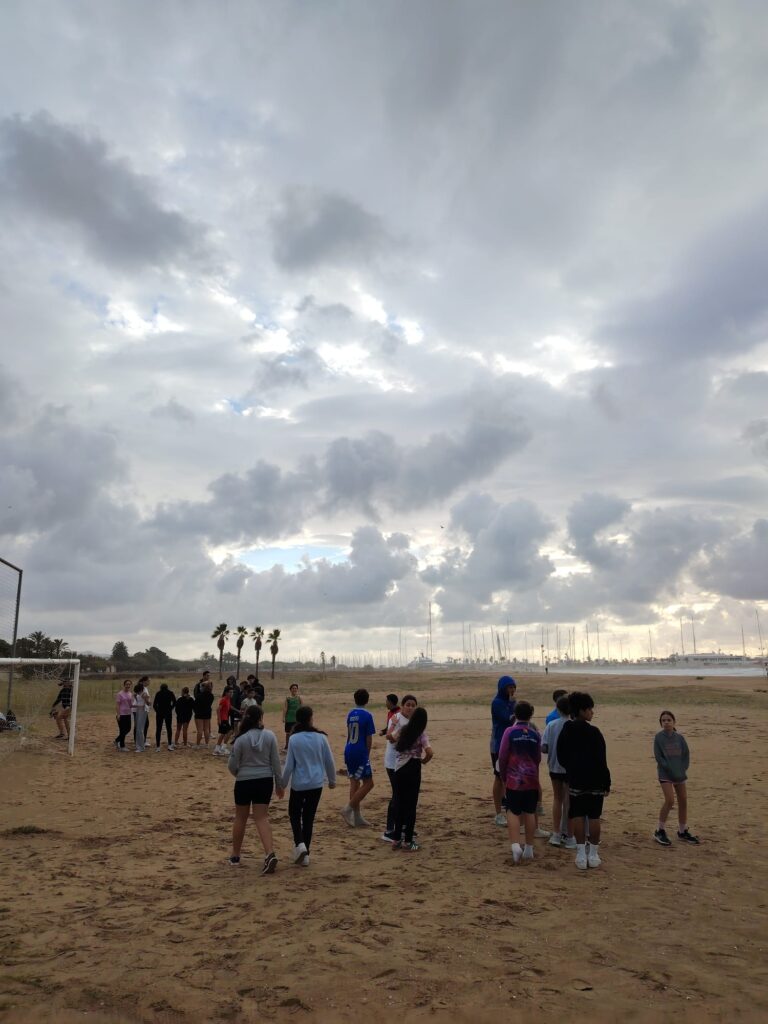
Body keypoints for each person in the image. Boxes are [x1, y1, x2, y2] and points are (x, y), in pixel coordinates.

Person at [557, 692, 611, 870]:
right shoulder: (594, 732)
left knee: (578, 815)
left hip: (576, 779)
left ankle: (581, 854)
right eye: (589, 709)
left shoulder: (566, 730)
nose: (592, 712)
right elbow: (602, 760)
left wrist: (572, 769)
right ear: (581, 710)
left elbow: (561, 755)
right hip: (595, 780)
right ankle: (593, 853)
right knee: (594, 816)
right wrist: (606, 782)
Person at [227, 704, 284, 872]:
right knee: (261, 817)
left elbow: (232, 765)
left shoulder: (240, 739)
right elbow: (276, 762)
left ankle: (235, 855)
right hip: (264, 781)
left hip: (244, 781)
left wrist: (240, 774)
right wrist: (279, 784)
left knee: (240, 817)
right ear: (260, 718)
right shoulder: (270, 736)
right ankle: (269, 853)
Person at [281, 705, 337, 866]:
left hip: (299, 784)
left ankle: (300, 844)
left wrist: (282, 784)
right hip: (316, 784)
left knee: (294, 814)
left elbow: (289, 766)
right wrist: (332, 780)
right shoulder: (321, 738)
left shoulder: (294, 739)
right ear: (311, 718)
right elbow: (329, 761)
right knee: (308, 818)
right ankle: (305, 854)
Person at [497, 700, 541, 864]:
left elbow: (502, 755)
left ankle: (515, 844)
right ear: (531, 715)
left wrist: (503, 775)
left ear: (515, 714)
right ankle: (529, 847)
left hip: (514, 779)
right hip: (531, 779)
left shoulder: (510, 732)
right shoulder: (535, 734)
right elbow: (537, 757)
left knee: (513, 811)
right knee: (529, 811)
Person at [389, 706, 433, 852]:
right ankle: (408, 841)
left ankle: (396, 839)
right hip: (413, 767)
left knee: (399, 803)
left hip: (399, 768)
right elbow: (430, 752)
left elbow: (390, 738)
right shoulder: (421, 734)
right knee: (411, 805)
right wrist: (423, 761)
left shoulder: (403, 729)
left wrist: (393, 724)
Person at [654, 711, 699, 846]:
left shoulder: (680, 738)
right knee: (670, 800)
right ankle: (660, 830)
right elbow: (659, 757)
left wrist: (682, 768)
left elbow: (686, 755)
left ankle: (682, 831)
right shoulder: (658, 738)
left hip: (679, 774)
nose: (666, 722)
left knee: (683, 800)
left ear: (674, 722)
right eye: (663, 720)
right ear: (661, 723)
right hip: (666, 774)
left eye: (669, 720)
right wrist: (669, 768)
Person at [382, 694, 416, 842]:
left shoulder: (413, 720)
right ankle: (389, 830)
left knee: (405, 795)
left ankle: (402, 827)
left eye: (413, 705)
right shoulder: (395, 718)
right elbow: (390, 738)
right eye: (408, 704)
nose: (410, 707)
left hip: (405, 762)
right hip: (393, 763)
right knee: (397, 795)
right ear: (402, 706)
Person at [541, 695, 573, 847]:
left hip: (554, 767)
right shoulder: (573, 725)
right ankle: (569, 834)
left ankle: (556, 833)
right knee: (568, 800)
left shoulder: (551, 725)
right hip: (570, 769)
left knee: (557, 799)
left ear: (558, 709)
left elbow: (544, 747)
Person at [341, 688, 376, 827]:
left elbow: (349, 735)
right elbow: (368, 738)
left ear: (355, 699)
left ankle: (357, 817)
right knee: (369, 783)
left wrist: (346, 751)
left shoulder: (350, 714)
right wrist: (367, 755)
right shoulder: (367, 715)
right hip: (360, 751)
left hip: (349, 749)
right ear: (367, 700)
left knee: (354, 783)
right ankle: (348, 809)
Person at [490, 676, 517, 826]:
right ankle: (498, 813)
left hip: (511, 743)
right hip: (498, 745)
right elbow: (509, 719)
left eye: (513, 687)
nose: (512, 690)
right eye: (509, 687)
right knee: (499, 777)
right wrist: (513, 704)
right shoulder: (497, 703)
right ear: (502, 688)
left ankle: (508, 805)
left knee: (509, 776)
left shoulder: (511, 702)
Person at [153, 682, 176, 751]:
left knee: (158, 729)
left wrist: (157, 711)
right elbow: (174, 702)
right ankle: (169, 745)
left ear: (161, 688)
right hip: (168, 712)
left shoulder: (158, 693)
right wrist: (171, 708)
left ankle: (158, 747)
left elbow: (154, 704)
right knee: (169, 728)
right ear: (167, 687)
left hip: (160, 712)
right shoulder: (170, 693)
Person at [50, 675, 73, 740]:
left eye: (65, 682)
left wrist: (69, 706)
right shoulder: (62, 690)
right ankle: (66, 734)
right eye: (63, 682)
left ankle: (65, 734)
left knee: (60, 717)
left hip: (69, 707)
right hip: (65, 707)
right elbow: (58, 699)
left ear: (68, 682)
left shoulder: (72, 690)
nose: (63, 683)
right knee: (61, 718)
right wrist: (53, 706)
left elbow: (74, 700)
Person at [214, 684, 233, 756]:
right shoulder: (224, 699)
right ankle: (220, 749)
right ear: (226, 692)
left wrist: (238, 711)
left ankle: (220, 748)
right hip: (223, 719)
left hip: (225, 719)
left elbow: (230, 706)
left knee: (224, 733)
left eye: (232, 692)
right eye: (230, 692)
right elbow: (218, 709)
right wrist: (219, 719)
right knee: (227, 732)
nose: (231, 693)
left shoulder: (228, 699)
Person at [114, 680, 133, 752]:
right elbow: (117, 705)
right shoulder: (120, 694)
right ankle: (122, 746)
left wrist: (138, 705)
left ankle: (117, 740)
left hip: (128, 714)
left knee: (128, 729)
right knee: (122, 730)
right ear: (124, 685)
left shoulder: (130, 694)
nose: (128, 686)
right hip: (121, 714)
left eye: (129, 684)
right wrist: (118, 714)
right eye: (127, 684)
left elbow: (131, 705)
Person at [282, 683, 302, 751]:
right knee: (288, 733)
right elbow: (285, 708)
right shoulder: (288, 698)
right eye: (293, 688)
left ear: (297, 689)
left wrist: (302, 717)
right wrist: (283, 717)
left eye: (295, 688)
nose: (294, 689)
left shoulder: (299, 698)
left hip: (297, 718)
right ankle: (287, 746)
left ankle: (297, 746)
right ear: (290, 690)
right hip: (289, 718)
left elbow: (301, 708)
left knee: (297, 732)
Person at [131, 681, 150, 753]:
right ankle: (138, 745)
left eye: (137, 691)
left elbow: (148, 703)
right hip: (138, 711)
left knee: (140, 730)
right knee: (138, 729)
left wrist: (146, 699)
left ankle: (141, 747)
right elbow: (139, 702)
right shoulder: (138, 694)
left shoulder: (144, 694)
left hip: (142, 711)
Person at [194, 681, 214, 747]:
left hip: (199, 714)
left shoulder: (199, 696)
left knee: (200, 730)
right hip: (207, 713)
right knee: (206, 729)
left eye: (201, 686)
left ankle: (197, 745)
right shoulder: (211, 696)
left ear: (204, 687)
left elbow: (195, 705)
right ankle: (206, 744)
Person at [137, 676, 152, 748]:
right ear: (144, 681)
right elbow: (144, 697)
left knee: (145, 725)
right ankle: (141, 742)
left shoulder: (145, 688)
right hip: (142, 709)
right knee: (143, 725)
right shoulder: (142, 688)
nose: (149, 682)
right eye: (148, 681)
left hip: (144, 709)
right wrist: (148, 702)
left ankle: (143, 740)